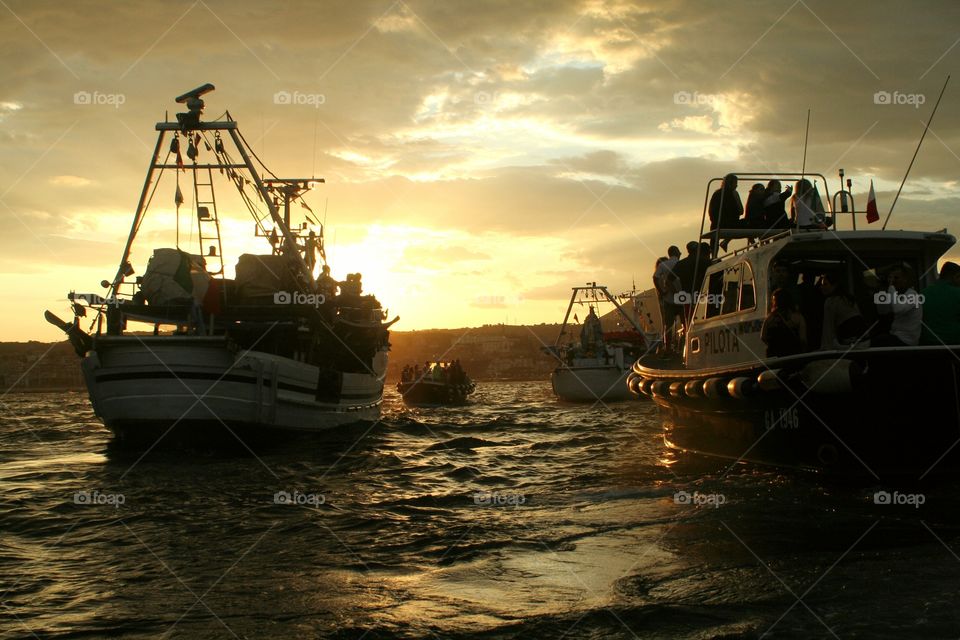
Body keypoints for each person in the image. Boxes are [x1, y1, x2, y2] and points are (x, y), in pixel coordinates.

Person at [873, 265, 922, 346]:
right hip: (896, 335)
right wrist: (882, 290)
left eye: (896, 278)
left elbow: (897, 310)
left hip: (906, 340)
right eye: (890, 278)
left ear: (905, 279)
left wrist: (891, 289)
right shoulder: (897, 295)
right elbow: (882, 312)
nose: (892, 281)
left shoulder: (912, 295)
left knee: (876, 342)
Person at [820, 272, 869, 349]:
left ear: (834, 285)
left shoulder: (830, 301)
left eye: (825, 284)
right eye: (822, 284)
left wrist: (825, 348)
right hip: (865, 338)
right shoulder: (849, 299)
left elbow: (828, 327)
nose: (822, 287)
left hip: (851, 341)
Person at [920, 261, 960, 345]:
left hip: (928, 342)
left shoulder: (923, 293)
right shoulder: (957, 293)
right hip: (955, 341)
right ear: (956, 276)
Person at [761, 288, 807, 357]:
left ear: (775, 302)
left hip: (776, 357)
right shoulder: (798, 317)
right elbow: (803, 339)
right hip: (794, 355)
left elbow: (763, 337)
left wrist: (774, 346)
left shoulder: (770, 319)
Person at [654, 246, 682, 352]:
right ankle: (682, 344)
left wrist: (662, 292)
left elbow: (655, 278)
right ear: (676, 253)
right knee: (684, 322)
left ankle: (668, 347)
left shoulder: (662, 266)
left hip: (667, 300)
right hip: (681, 298)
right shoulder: (680, 263)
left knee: (668, 325)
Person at [708, 174, 743, 253]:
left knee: (714, 240)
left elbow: (711, 211)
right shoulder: (731, 194)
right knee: (747, 224)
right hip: (729, 223)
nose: (736, 185)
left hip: (716, 224)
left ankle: (714, 254)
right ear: (730, 183)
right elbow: (740, 211)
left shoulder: (717, 193)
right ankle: (724, 243)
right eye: (735, 183)